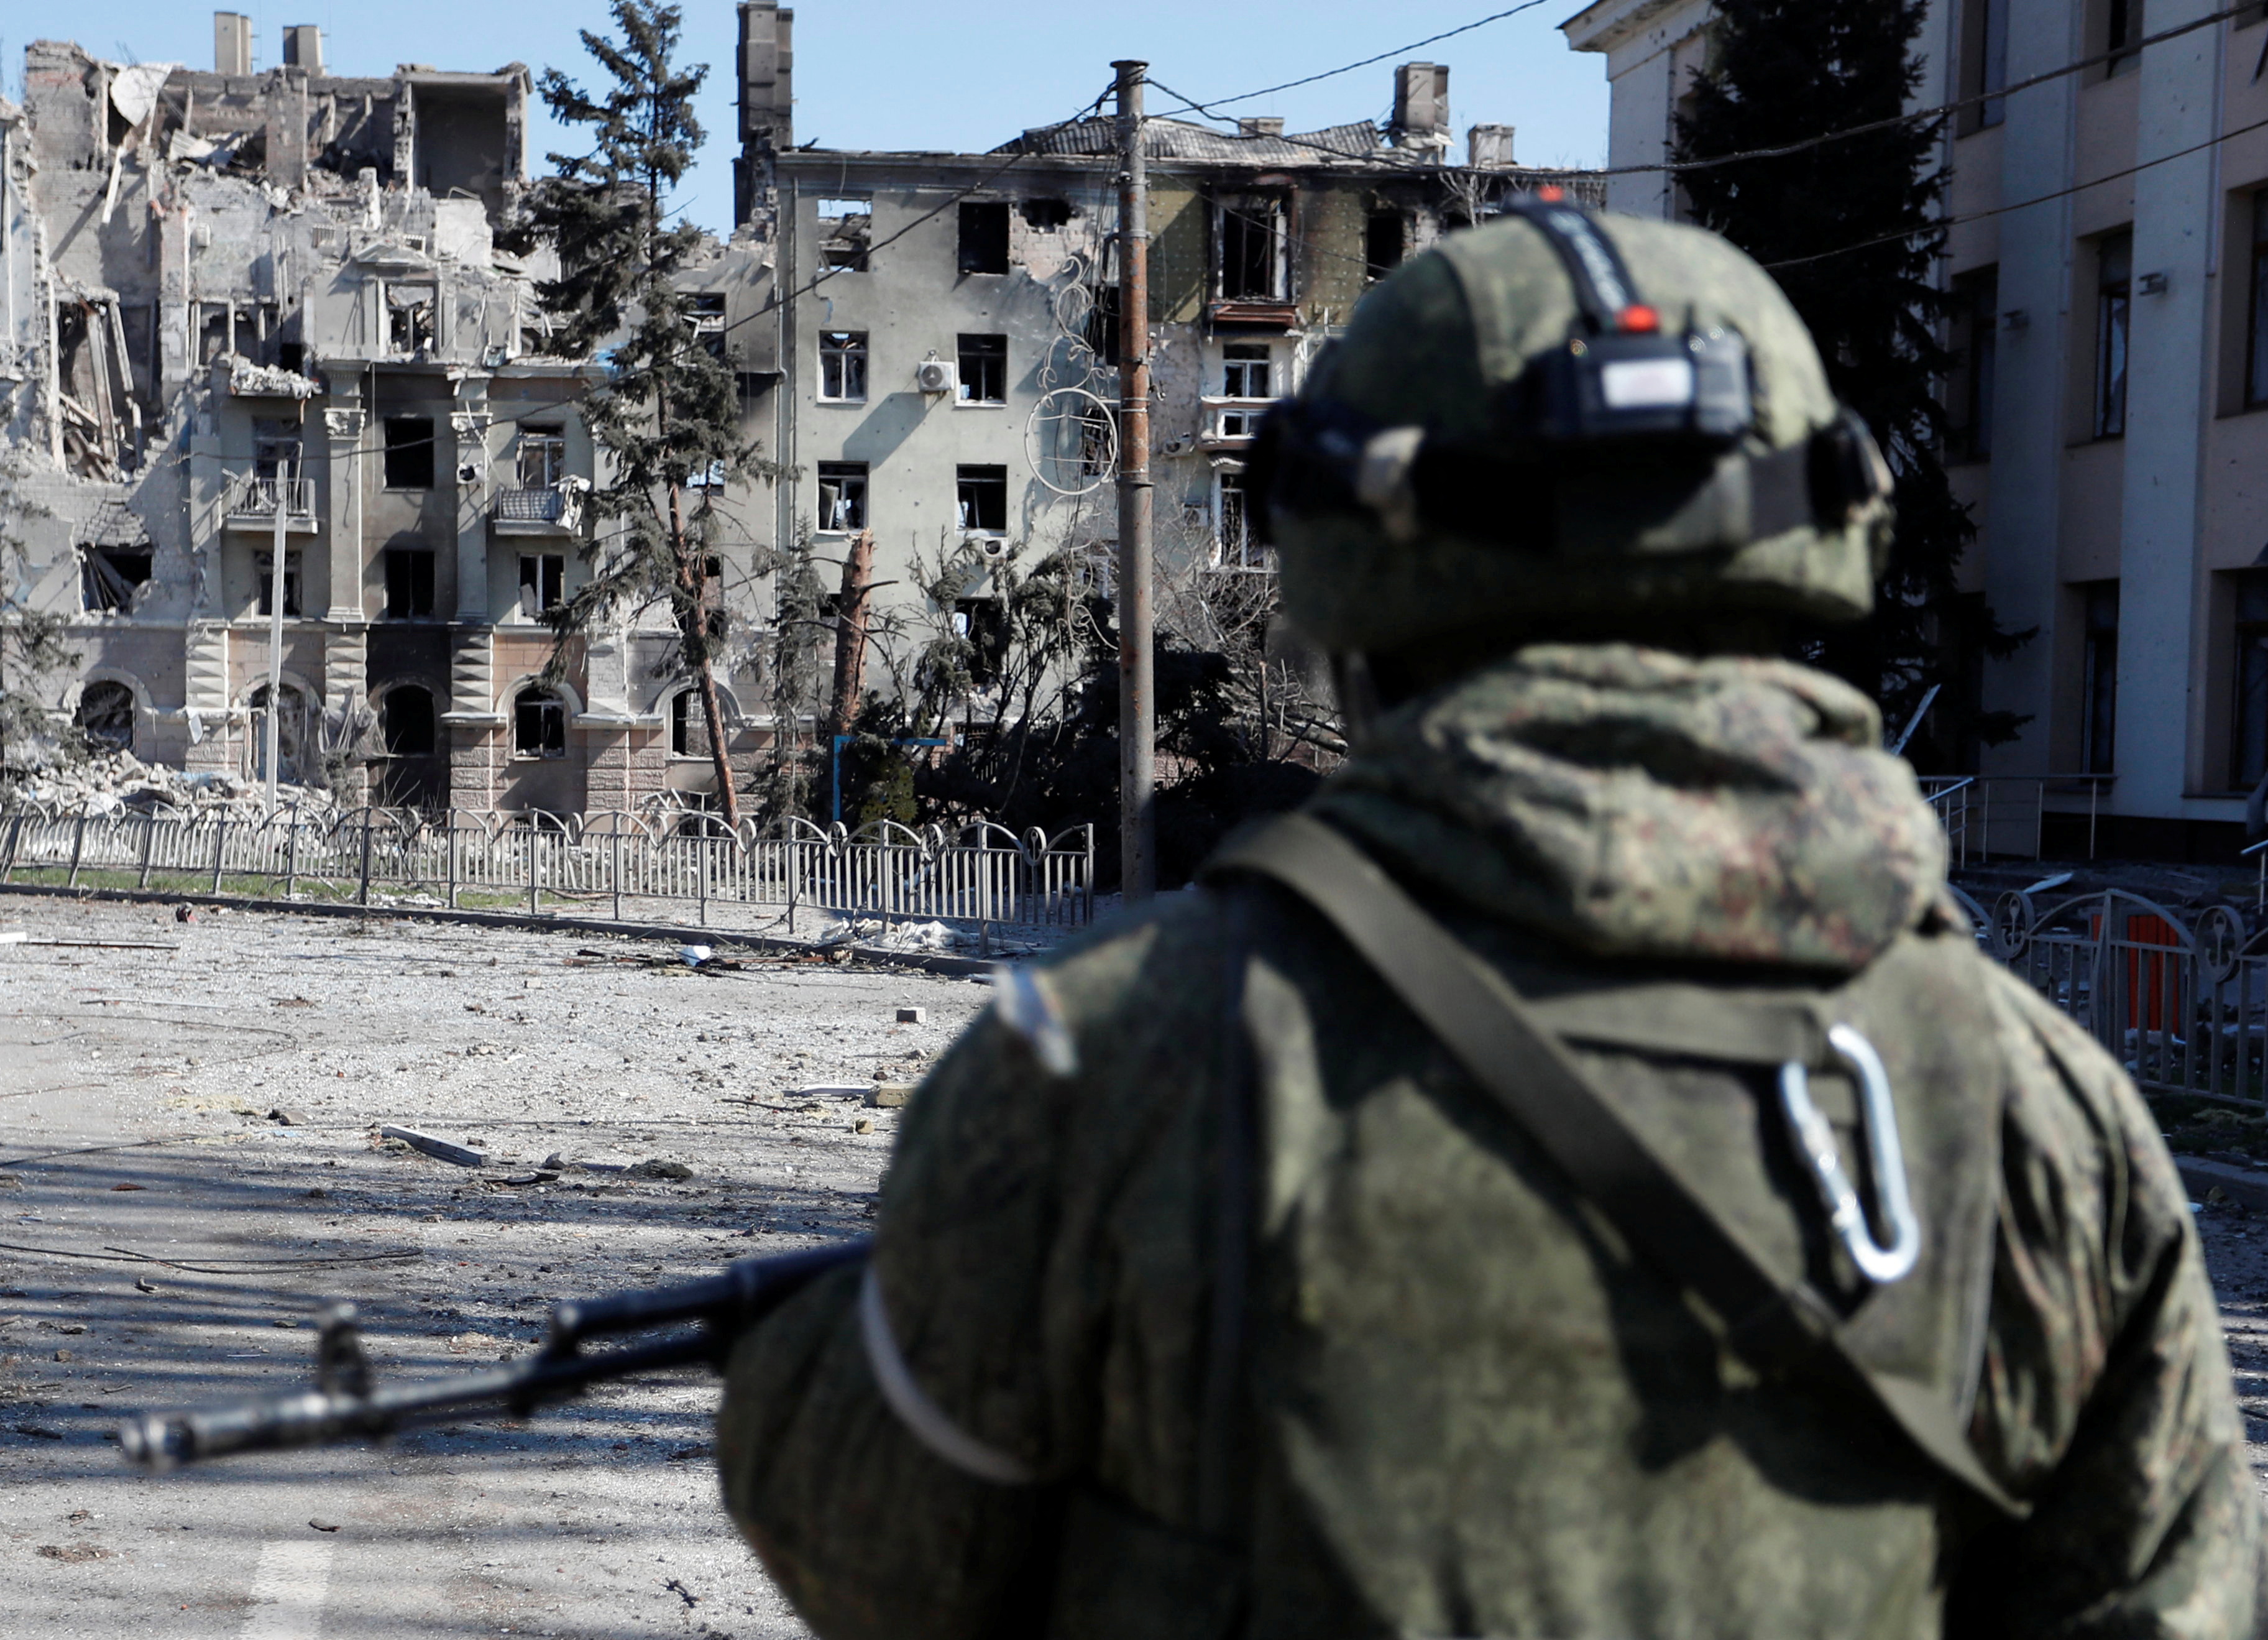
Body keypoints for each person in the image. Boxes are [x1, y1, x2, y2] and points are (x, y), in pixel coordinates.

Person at [716, 193, 2261, 1638]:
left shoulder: (1110, 1063)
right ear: (1817, 551)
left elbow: (882, 1546)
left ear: (1356, 574)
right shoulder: (2051, 1120)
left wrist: (846, 1337)